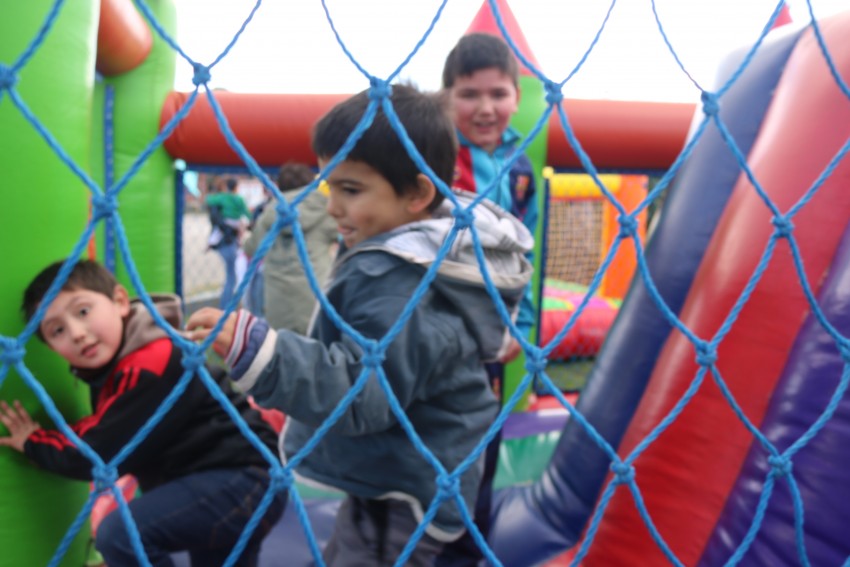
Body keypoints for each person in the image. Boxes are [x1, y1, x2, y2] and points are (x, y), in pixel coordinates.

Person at [185, 83, 534, 566]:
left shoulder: (401, 282)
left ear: (417, 193)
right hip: (406, 466)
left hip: (408, 487)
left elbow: (363, 391)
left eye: (351, 189)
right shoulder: (425, 248)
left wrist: (260, 351)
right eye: (331, 185)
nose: (332, 207)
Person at [0, 259, 286, 567]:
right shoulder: (123, 363)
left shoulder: (151, 361)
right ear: (52, 348)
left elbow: (99, 450)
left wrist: (34, 440)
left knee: (120, 534)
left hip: (240, 481)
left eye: (83, 312)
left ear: (120, 301)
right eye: (57, 330)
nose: (77, 333)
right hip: (234, 483)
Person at [437, 32, 540, 566]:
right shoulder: (431, 151)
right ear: (447, 96)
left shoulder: (520, 163)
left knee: (482, 448)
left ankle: (466, 548)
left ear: (516, 97)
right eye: (469, 94)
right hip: (433, 332)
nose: (484, 108)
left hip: (489, 340)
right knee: (428, 447)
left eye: (497, 94)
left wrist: (520, 326)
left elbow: (527, 250)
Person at [243, 162, 338, 334]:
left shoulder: (269, 214)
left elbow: (250, 249)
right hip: (316, 303)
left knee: (283, 354)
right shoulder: (324, 210)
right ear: (311, 185)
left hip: (277, 306)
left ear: (279, 187)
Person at [206, 177, 251, 309]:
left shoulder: (222, 198)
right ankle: (226, 307)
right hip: (232, 231)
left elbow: (209, 200)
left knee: (232, 275)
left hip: (226, 230)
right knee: (232, 277)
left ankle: (210, 243)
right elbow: (247, 214)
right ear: (236, 187)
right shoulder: (238, 199)